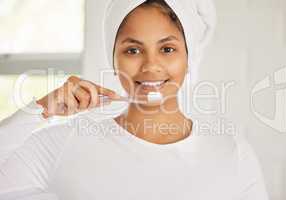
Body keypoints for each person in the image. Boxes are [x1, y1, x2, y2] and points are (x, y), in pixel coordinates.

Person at [0, 0, 269, 199]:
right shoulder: (64, 143)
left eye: (167, 49)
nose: (151, 66)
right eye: (133, 49)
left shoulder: (232, 154)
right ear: (113, 59)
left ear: (189, 58)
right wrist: (39, 111)